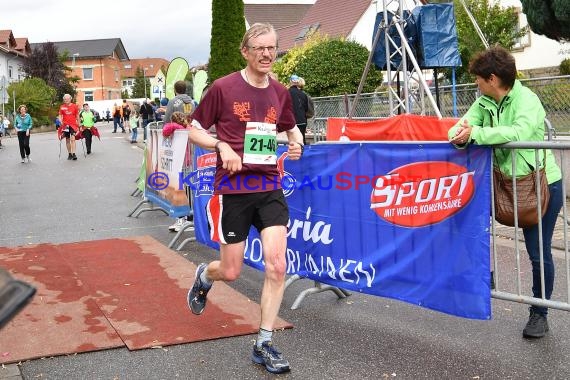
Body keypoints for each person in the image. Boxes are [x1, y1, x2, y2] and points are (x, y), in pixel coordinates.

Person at [186, 22, 304, 374]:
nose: (268, 54)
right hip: (233, 190)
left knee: (277, 264)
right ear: (246, 52)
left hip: (269, 186)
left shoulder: (280, 91)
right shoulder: (223, 88)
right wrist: (221, 144)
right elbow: (193, 129)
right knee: (232, 270)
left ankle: (264, 342)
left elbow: (288, 126)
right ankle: (204, 277)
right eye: (260, 48)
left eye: (272, 48)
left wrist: (296, 141)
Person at [448, 46, 563, 339]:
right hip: (500, 182)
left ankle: (540, 312)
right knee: (465, 217)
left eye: (478, 79)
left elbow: (518, 132)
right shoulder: (484, 101)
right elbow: (458, 129)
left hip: (539, 185)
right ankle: (483, 275)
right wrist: (461, 136)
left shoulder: (528, 100)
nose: (475, 83)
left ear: (492, 78)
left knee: (537, 252)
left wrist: (476, 135)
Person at [164, 80, 197, 232]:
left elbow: (166, 121)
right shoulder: (193, 102)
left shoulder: (173, 102)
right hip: (192, 143)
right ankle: (191, 215)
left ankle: (182, 217)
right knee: (190, 181)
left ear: (175, 90)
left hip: (179, 146)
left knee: (179, 181)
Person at [288, 75, 312, 145]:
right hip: (302, 120)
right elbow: (306, 108)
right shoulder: (303, 94)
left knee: (293, 141)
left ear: (290, 81)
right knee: (302, 138)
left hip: (292, 121)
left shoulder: (287, 93)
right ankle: (303, 154)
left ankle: (296, 155)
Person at [59, 94, 80, 160]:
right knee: (67, 139)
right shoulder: (62, 107)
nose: (66, 100)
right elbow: (60, 115)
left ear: (70, 99)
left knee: (73, 139)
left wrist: (79, 124)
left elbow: (77, 116)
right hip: (65, 125)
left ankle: (74, 154)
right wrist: (60, 121)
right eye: (65, 99)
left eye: (67, 99)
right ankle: (70, 153)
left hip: (73, 125)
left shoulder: (74, 106)